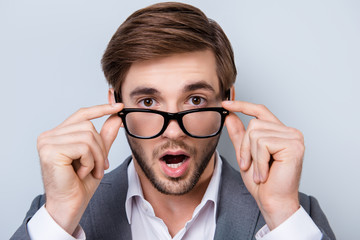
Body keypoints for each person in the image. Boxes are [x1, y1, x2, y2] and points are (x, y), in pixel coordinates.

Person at [11, 2, 335, 240]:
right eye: (148, 102)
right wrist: (61, 217)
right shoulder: (53, 215)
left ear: (227, 101)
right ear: (116, 107)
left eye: (195, 100)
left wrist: (281, 213)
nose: (174, 131)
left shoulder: (296, 213)